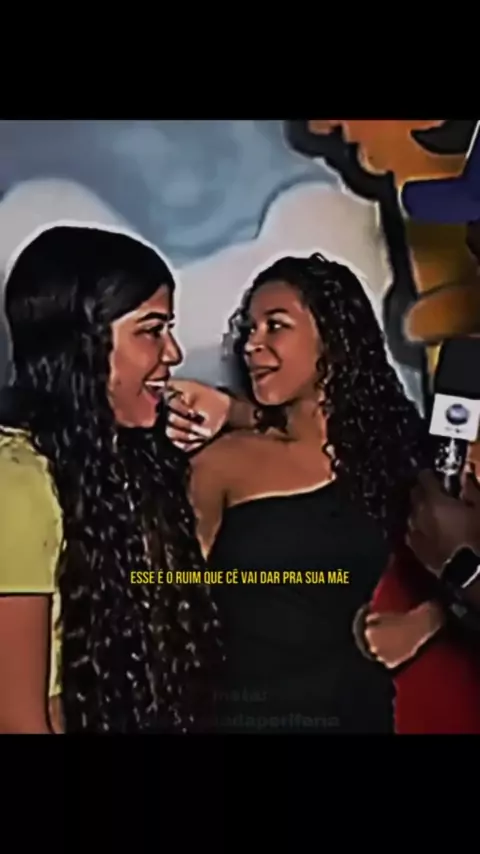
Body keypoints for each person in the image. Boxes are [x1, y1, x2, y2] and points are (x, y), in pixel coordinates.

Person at [167, 252, 438, 733]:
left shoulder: (400, 455)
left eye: (275, 326)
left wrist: (425, 622)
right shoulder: (221, 463)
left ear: (333, 337)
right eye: (249, 330)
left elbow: (467, 558)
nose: (252, 345)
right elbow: (172, 606)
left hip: (355, 713)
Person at [0, 224, 223, 734]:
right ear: (83, 342)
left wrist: (231, 411)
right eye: (151, 330)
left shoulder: (113, 460)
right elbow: (15, 719)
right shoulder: (16, 482)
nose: (173, 353)